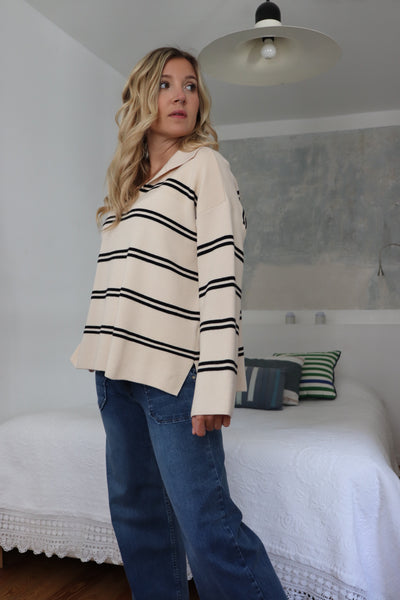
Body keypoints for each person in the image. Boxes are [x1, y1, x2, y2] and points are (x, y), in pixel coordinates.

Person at [71, 46, 287, 600]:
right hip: (114, 374)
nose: (181, 96)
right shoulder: (127, 187)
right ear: (144, 97)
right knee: (137, 518)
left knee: (209, 527)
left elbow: (222, 280)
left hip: (176, 376)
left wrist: (216, 383)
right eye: (166, 84)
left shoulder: (206, 167)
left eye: (190, 86)